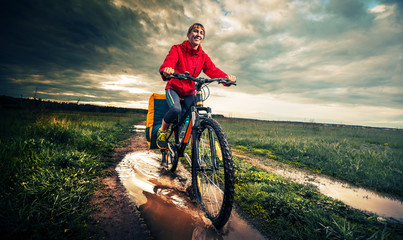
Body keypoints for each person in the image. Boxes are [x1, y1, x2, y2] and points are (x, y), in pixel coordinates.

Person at [156, 23, 236, 149]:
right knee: (176, 109)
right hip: (174, 88)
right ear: (189, 34)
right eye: (195, 31)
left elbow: (212, 70)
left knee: (196, 116)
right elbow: (169, 61)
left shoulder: (203, 56)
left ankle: (195, 148)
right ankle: (162, 131)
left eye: (201, 33)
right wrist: (167, 70)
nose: (198, 34)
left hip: (189, 91)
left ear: (202, 38)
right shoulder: (177, 49)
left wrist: (227, 79)